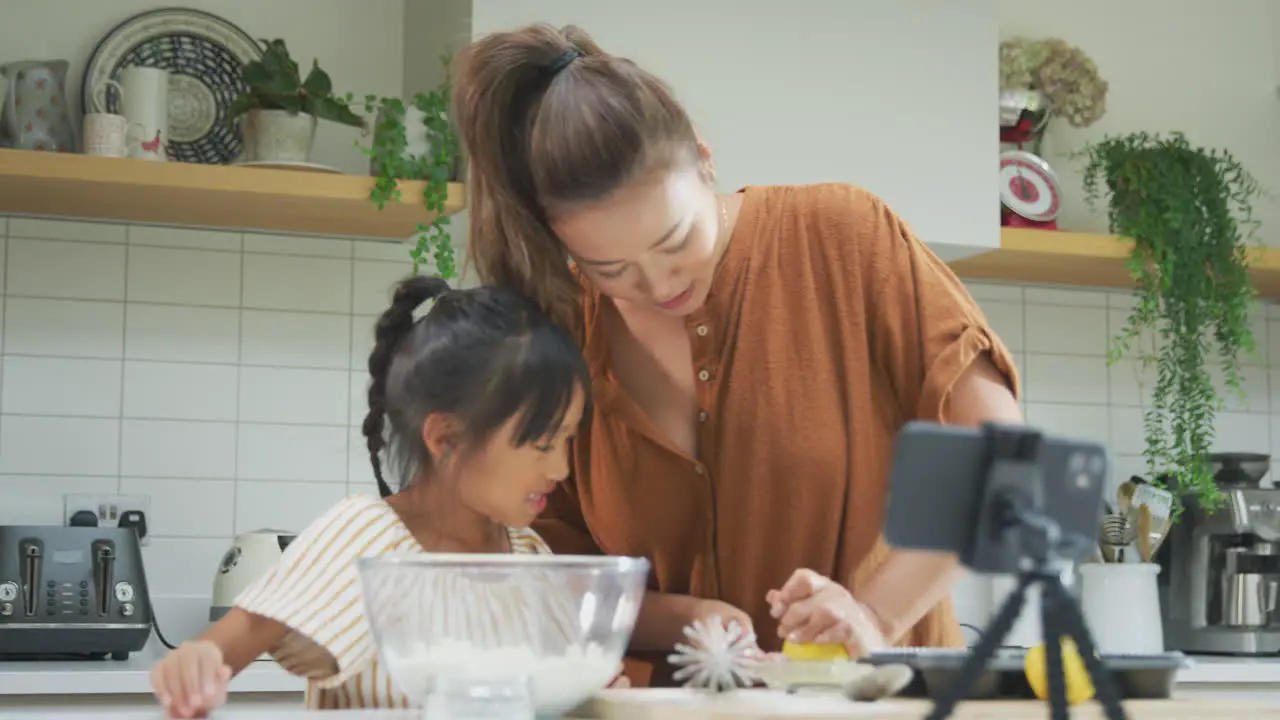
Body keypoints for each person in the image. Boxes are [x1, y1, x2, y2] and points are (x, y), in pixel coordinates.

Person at [452, 23, 1024, 686]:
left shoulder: (844, 238)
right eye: (613, 269)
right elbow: (544, 570)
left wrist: (872, 615)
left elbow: (1001, 457)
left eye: (674, 241)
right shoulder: (564, 329)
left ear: (703, 158)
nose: (660, 285)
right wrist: (682, 616)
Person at [149, 277, 596, 715]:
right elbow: (227, 645)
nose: (561, 469)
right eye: (542, 443)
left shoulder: (530, 557)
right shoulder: (365, 537)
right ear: (446, 438)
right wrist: (196, 666)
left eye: (567, 441)